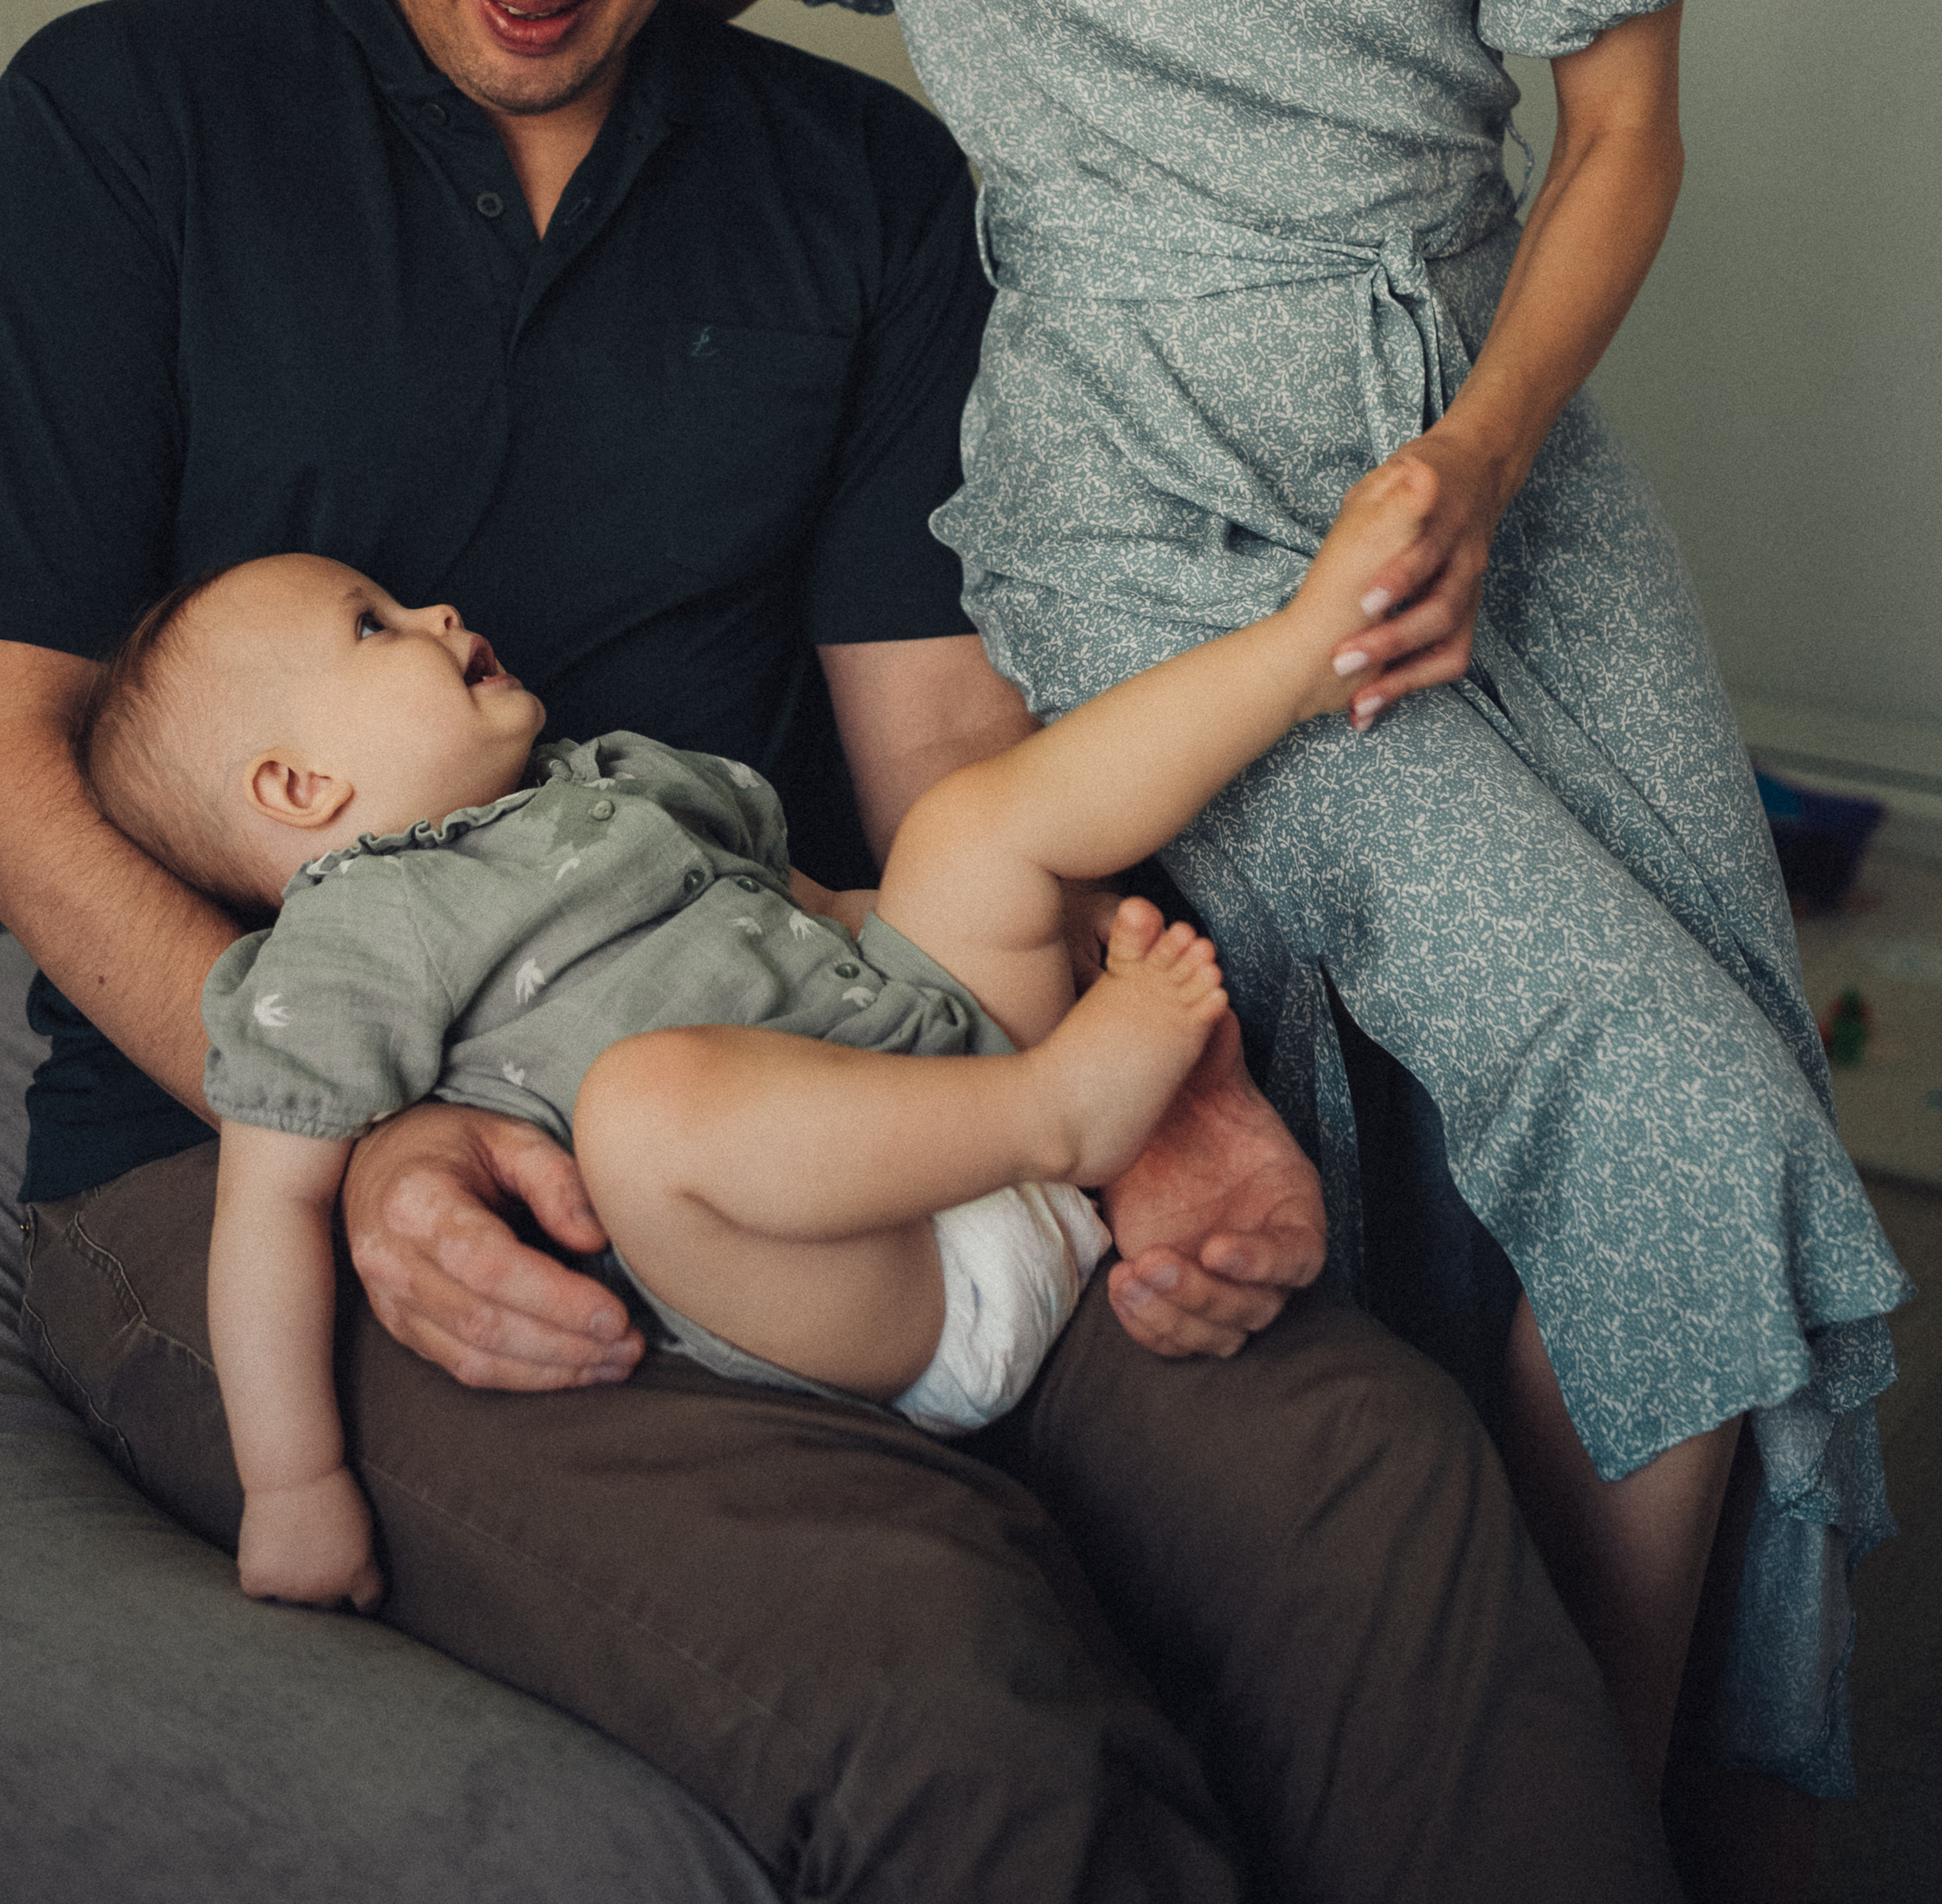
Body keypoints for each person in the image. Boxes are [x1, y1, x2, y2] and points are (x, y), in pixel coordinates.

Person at [0, 0, 1680, 1903]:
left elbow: (945, 756)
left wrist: (1141, 1095)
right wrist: (359, 1138)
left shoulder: (857, 197)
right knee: (931, 1671)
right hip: (248, 1169)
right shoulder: (125, 130)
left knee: (1372, 1480)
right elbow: (3, 772)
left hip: (827, 1076)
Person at [696, 0, 1910, 1898]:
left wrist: (1487, 456)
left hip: (1454, 466)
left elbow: (1618, 136)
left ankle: (1542, 1787)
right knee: (1672, 1104)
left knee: (1661, 1064)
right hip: (1132, 516)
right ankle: (1547, 1831)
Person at [86, 480, 1427, 1609]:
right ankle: (1060, 1112)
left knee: (965, 829)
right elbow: (268, 1211)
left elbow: (820, 915)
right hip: (862, 1283)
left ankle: (1302, 653)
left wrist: (982, 919)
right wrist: (294, 1484)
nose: (435, 611)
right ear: (298, 789)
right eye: (372, 625)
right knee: (643, 1109)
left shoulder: (606, 779)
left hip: (929, 1092)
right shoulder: (341, 944)